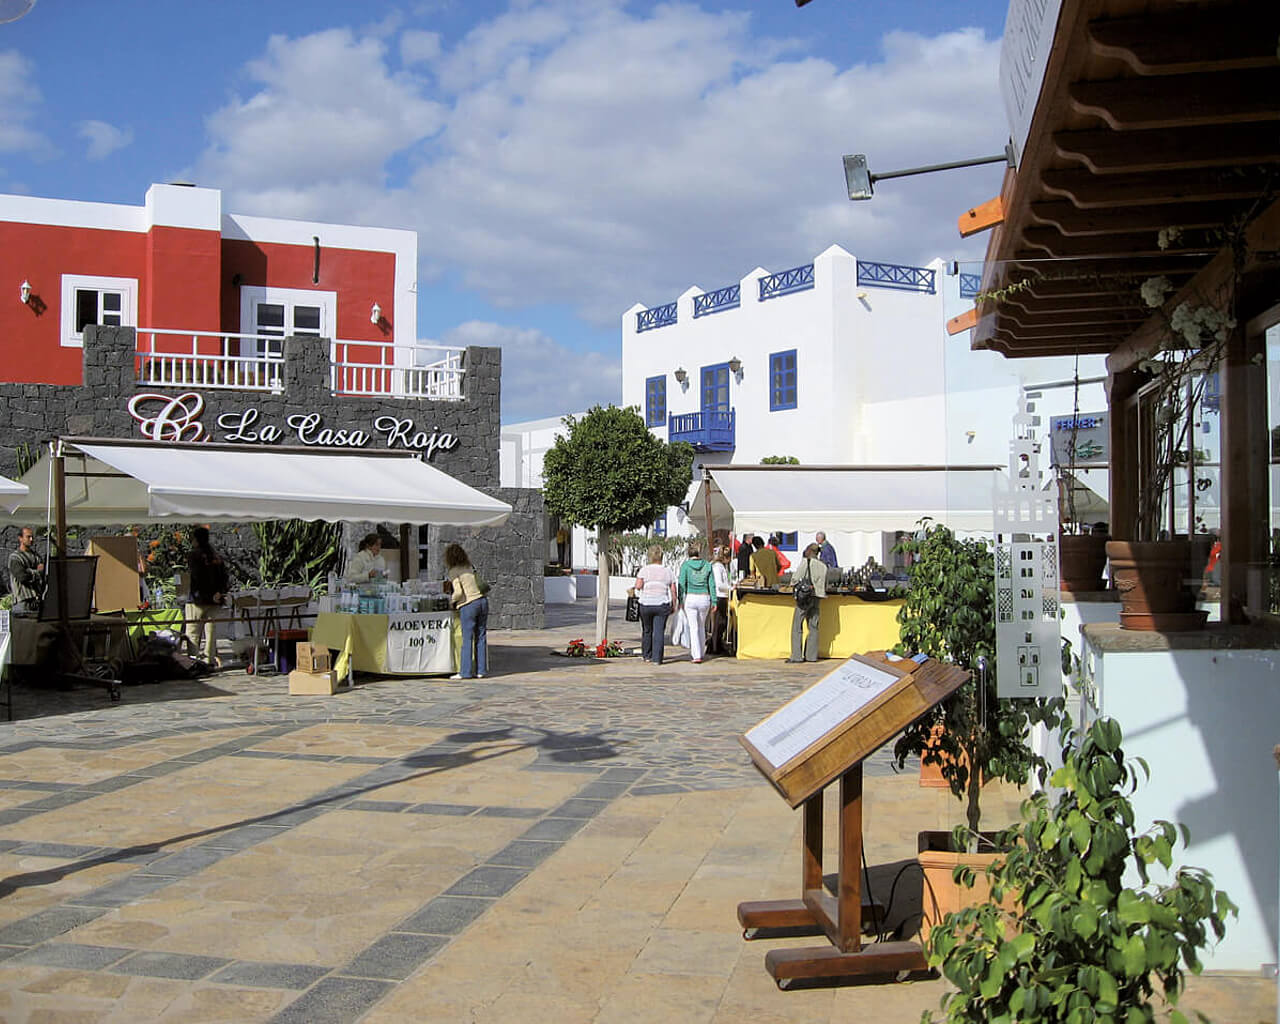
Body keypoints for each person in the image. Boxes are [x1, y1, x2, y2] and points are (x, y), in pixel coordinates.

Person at [185, 526, 229, 666]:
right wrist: (218, 593)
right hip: (215, 600)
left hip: (197, 600)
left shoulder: (194, 556)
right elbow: (225, 577)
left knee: (193, 633)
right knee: (211, 633)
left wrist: (206, 594)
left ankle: (193, 662)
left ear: (196, 540)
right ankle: (208, 660)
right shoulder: (216, 556)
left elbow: (197, 578)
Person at [445, 543, 488, 679]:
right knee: (481, 637)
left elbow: (458, 593)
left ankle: (465, 672)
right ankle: (481, 671)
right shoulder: (469, 567)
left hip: (469, 604)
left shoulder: (454, 571)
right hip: (483, 601)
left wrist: (450, 601)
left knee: (467, 639)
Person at [634, 545, 676, 665]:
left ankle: (647, 655)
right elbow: (673, 589)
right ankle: (657, 659)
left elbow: (638, 586)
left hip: (646, 603)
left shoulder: (644, 570)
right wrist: (674, 603)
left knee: (647, 630)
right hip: (661, 603)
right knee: (659, 631)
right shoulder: (668, 571)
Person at [787, 543, 827, 663]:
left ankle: (797, 656)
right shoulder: (823, 566)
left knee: (797, 626)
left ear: (809, 551)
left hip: (805, 597)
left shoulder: (806, 562)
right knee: (813, 626)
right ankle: (811, 655)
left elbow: (795, 578)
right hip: (817, 596)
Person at [677, 541, 715, 664]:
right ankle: (701, 652)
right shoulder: (708, 565)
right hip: (704, 597)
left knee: (693, 627)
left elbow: (681, 583)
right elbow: (712, 584)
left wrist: (680, 599)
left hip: (691, 597)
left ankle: (696, 654)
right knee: (701, 626)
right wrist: (714, 600)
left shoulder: (686, 566)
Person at [8, 526, 44, 614]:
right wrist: (37, 572)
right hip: (23, 601)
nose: (31, 539)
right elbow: (22, 576)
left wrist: (32, 571)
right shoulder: (15, 558)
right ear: (20, 538)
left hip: (36, 600)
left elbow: (44, 571)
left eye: (32, 537)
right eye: (28, 537)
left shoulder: (36, 556)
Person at [708, 544, 732, 655]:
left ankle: (717, 644)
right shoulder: (717, 567)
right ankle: (714, 646)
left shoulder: (721, 566)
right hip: (719, 596)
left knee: (721, 622)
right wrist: (730, 587)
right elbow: (719, 584)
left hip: (722, 595)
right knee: (718, 622)